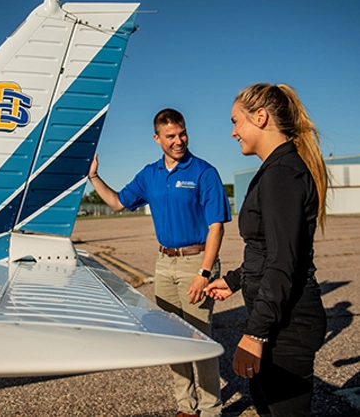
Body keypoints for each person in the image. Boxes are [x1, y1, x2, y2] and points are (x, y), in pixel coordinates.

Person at [88, 108, 231, 417]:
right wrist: (94, 177)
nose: (178, 141)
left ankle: (210, 410)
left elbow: (216, 227)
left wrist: (204, 273)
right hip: (164, 264)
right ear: (157, 138)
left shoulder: (203, 172)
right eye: (170, 136)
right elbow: (116, 202)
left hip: (197, 262)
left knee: (200, 340)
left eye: (182, 134)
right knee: (173, 339)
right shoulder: (149, 175)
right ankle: (186, 407)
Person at [206, 83, 328, 417]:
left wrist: (255, 335)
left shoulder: (281, 174)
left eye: (236, 122)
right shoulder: (276, 170)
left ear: (260, 117)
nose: (233, 132)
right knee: (265, 404)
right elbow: (266, 250)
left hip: (288, 324)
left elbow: (282, 262)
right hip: (278, 319)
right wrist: (233, 280)